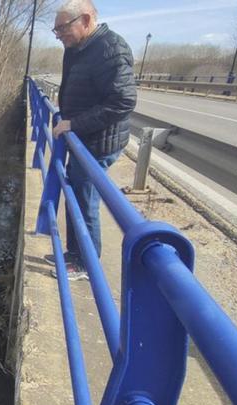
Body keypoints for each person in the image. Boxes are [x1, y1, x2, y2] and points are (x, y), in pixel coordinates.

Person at [48, 0, 137, 281]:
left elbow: (123, 101)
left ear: (85, 20)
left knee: (84, 199)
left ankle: (86, 263)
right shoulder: (79, 48)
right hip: (83, 138)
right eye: (56, 30)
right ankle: (75, 254)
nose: (59, 34)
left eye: (62, 28)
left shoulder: (110, 49)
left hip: (98, 142)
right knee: (75, 193)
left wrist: (74, 123)